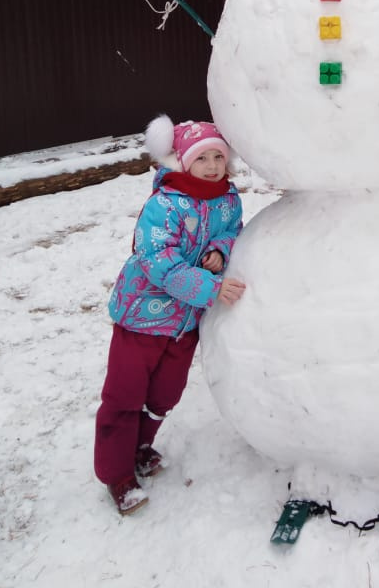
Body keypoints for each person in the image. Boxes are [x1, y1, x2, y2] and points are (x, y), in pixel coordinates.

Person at [94, 115, 246, 515]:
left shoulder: (227, 198)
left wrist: (221, 251)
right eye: (202, 158)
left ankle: (141, 448)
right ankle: (117, 475)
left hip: (184, 323)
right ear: (183, 161)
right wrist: (211, 287)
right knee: (124, 396)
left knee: (164, 395)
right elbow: (156, 261)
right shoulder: (164, 204)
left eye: (218, 156)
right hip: (142, 318)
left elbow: (232, 231)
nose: (213, 165)